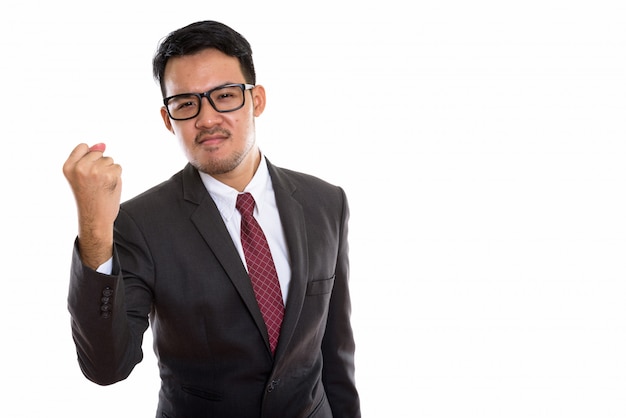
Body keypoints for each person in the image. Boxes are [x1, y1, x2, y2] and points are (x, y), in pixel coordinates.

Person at [62, 20, 360, 417]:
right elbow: (106, 367)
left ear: (256, 100)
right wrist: (95, 228)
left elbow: (334, 353)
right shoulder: (140, 223)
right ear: (169, 120)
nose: (206, 118)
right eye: (186, 103)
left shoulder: (325, 202)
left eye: (224, 95)